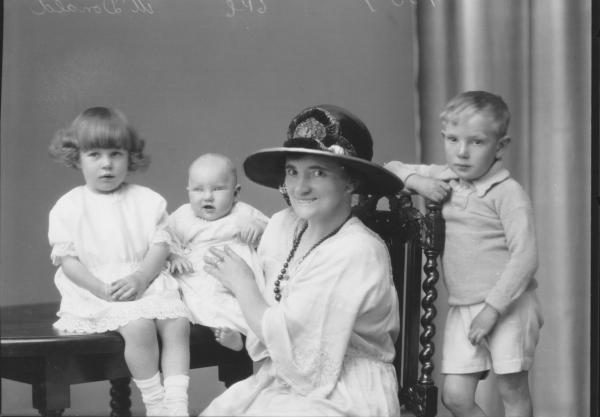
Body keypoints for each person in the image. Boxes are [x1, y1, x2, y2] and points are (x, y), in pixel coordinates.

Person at [198, 104, 405, 416]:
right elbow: (277, 338)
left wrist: (242, 284)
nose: (300, 187)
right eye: (292, 171)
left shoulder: (358, 250)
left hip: (349, 386)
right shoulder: (283, 226)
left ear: (350, 182)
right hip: (283, 376)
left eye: (318, 173)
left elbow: (306, 358)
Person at [385, 91, 543, 417]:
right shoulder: (445, 177)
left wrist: (492, 310)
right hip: (464, 306)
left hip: (508, 304)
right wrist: (418, 181)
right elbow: (389, 169)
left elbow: (525, 257)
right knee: (455, 397)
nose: (462, 152)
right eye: (453, 139)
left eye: (477, 142)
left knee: (512, 390)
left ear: (500, 146)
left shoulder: (507, 194)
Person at [48, 107, 191, 417]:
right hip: (96, 286)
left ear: (130, 157)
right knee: (139, 326)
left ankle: (177, 403)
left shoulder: (146, 199)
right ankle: (155, 402)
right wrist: (100, 288)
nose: (107, 164)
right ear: (77, 158)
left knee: (177, 323)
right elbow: (68, 261)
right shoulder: (70, 206)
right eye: (95, 155)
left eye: (116, 154)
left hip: (145, 278)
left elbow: (160, 244)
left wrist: (141, 278)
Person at [168, 153, 268, 351]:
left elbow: (272, 231)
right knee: (202, 301)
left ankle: (254, 338)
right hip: (202, 273)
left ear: (235, 192)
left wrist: (258, 227)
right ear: (188, 191)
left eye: (218, 189)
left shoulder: (243, 212)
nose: (207, 196)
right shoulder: (183, 215)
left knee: (253, 306)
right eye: (198, 189)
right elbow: (165, 240)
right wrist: (174, 256)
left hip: (241, 273)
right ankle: (232, 334)